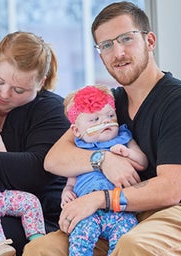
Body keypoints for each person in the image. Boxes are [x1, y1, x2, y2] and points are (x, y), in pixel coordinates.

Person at [23, 1, 181, 256]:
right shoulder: (109, 103)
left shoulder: (179, 101)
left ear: (150, 41)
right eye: (107, 45)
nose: (117, 52)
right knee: (41, 248)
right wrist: (102, 159)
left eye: (126, 39)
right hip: (123, 214)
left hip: (177, 211)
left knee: (134, 245)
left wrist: (99, 198)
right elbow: (54, 159)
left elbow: (171, 189)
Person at [0, 31, 70, 256]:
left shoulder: (52, 111)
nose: (4, 93)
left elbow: (34, 171)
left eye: (19, 90)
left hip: (37, 217)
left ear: (41, 83)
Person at [61, 84, 148, 255]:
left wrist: (127, 153)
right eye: (95, 120)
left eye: (110, 115)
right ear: (77, 130)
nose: (105, 121)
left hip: (120, 211)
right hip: (87, 211)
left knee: (124, 239)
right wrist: (67, 191)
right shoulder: (78, 150)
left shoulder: (123, 138)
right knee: (80, 241)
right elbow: (71, 180)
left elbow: (143, 162)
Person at [0, 135, 46, 256]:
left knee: (31, 201)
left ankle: (38, 239)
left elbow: (5, 165)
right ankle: (0, 244)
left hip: (1, 192)